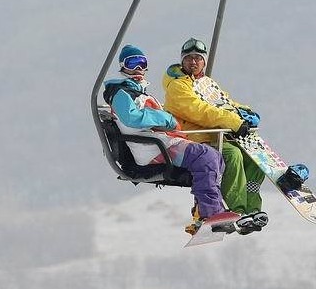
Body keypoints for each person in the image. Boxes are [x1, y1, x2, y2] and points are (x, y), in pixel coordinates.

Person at [102, 44, 231, 232]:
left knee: (215, 157)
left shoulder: (137, 91)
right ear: (123, 66)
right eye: (133, 63)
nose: (138, 69)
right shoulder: (120, 93)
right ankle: (211, 213)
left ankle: (204, 212)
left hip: (161, 144)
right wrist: (166, 118)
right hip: (153, 150)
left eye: (142, 63)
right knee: (206, 157)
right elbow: (131, 117)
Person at [162, 37, 268, 234]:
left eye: (197, 58)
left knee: (254, 159)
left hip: (215, 135)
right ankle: (238, 210)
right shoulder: (178, 87)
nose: (193, 62)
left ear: (204, 61)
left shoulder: (205, 83)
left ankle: (253, 207)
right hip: (194, 139)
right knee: (232, 155)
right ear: (182, 61)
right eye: (189, 58)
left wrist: (244, 112)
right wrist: (234, 122)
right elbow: (199, 110)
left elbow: (223, 102)